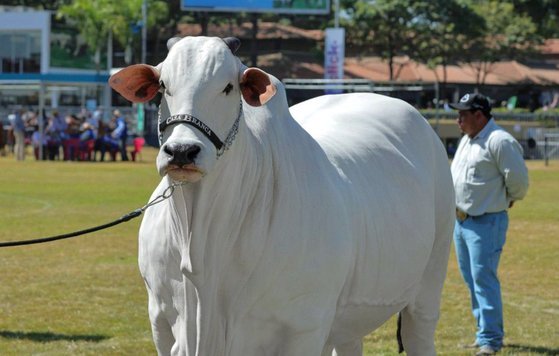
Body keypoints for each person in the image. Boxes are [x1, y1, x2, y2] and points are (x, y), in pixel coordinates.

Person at [449, 93, 529, 356]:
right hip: (461, 223)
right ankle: (484, 333)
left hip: (486, 222)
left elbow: (518, 181)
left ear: (479, 116)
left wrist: (509, 198)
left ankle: (491, 340)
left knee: (484, 279)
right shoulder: (468, 140)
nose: (458, 119)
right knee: (473, 280)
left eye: (463, 114)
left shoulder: (499, 141)